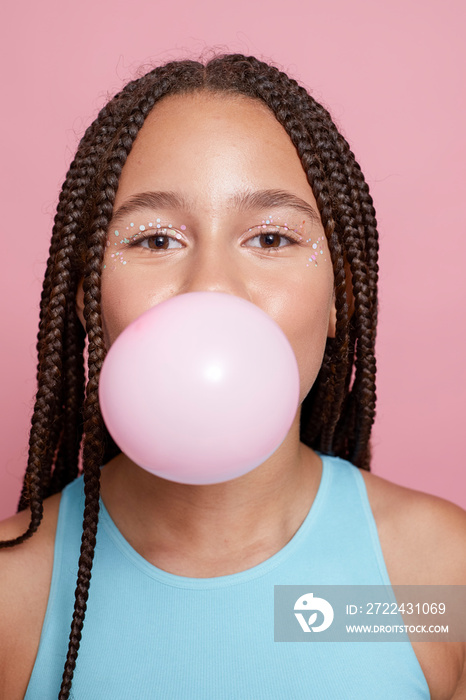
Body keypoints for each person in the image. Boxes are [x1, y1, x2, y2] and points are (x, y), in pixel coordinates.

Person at [0, 53, 465, 700]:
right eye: (155, 240)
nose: (212, 287)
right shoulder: (8, 595)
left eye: (271, 239)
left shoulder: (441, 578)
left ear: (342, 297)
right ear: (84, 294)